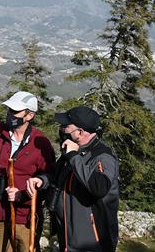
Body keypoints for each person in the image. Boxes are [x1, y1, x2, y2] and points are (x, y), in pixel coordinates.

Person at [27, 106, 119, 252]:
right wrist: (42, 180)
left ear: (80, 132)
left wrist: (73, 157)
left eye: (66, 126)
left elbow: (99, 187)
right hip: (68, 235)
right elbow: (56, 174)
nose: (62, 130)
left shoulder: (102, 156)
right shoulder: (73, 150)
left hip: (91, 242)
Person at [0, 91, 55, 252]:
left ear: (30, 115)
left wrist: (22, 195)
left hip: (25, 217)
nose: (10, 114)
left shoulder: (41, 144)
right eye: (9, 110)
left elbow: (49, 180)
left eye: (15, 111)